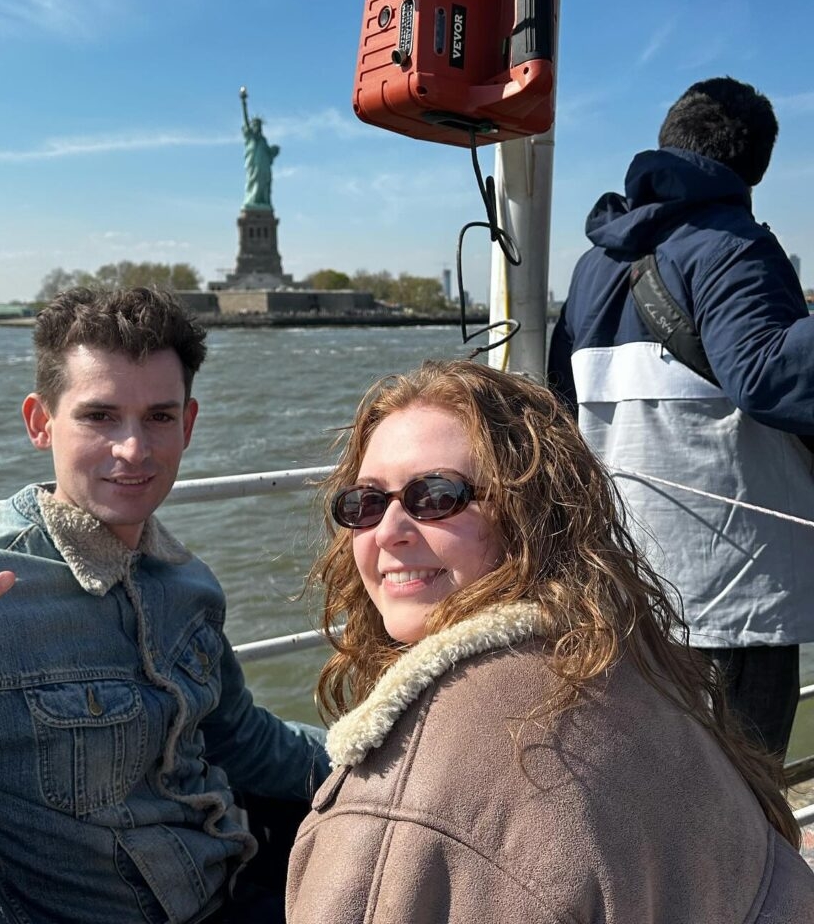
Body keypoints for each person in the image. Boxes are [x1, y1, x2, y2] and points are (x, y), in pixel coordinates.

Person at [0, 286, 328, 924]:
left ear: (187, 423)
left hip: (249, 879)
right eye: (99, 416)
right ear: (40, 422)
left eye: (158, 416)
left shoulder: (188, 584)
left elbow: (243, 741)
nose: (134, 449)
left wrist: (382, 748)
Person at [286, 359, 814, 923]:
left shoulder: (398, 805)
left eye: (436, 496)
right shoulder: (629, 662)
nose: (388, 531)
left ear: (529, 513)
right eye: (364, 503)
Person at [546, 76, 814, 761]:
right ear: (754, 166)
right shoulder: (734, 246)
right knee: (743, 804)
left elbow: (559, 404)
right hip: (736, 594)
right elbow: (767, 378)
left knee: (656, 792)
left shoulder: (592, 266)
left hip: (630, 586)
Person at [240, 87, 279, 209]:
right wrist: (244, 103)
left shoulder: (263, 140)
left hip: (264, 168)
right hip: (254, 167)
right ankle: (253, 201)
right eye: (255, 125)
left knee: (264, 183)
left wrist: (274, 151)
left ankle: (263, 202)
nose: (256, 127)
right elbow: (246, 121)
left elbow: (269, 154)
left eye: (258, 125)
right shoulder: (250, 137)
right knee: (254, 182)